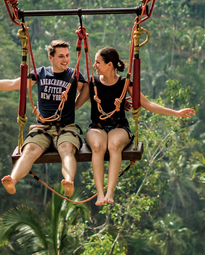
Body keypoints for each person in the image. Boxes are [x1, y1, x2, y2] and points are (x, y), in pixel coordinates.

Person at [0, 39, 87, 196]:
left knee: (66, 149)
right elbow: (13, 84)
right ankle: (12, 180)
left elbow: (88, 90)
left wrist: (74, 105)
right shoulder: (41, 73)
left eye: (67, 55)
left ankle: (68, 180)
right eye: (61, 56)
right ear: (51, 57)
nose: (66, 59)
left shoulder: (74, 75)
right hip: (43, 128)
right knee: (29, 150)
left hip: (65, 126)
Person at [75, 46, 194, 205]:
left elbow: (148, 104)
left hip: (119, 127)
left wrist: (176, 113)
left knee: (114, 144)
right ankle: (100, 194)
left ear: (109, 64)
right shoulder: (93, 83)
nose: (94, 65)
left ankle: (110, 192)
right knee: (97, 146)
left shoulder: (124, 84)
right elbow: (75, 105)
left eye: (98, 62)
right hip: (97, 127)